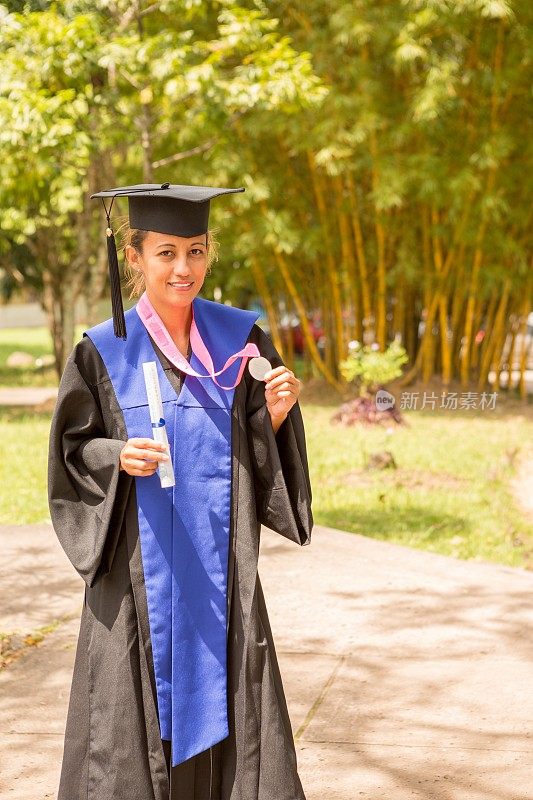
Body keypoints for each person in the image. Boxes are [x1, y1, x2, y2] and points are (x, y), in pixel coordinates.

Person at [47, 182, 314, 800]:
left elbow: (253, 451)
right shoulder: (101, 350)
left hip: (218, 564)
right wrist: (118, 456)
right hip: (136, 573)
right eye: (166, 253)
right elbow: (72, 451)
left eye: (195, 252)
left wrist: (272, 413)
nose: (183, 268)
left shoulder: (239, 337)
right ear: (135, 257)